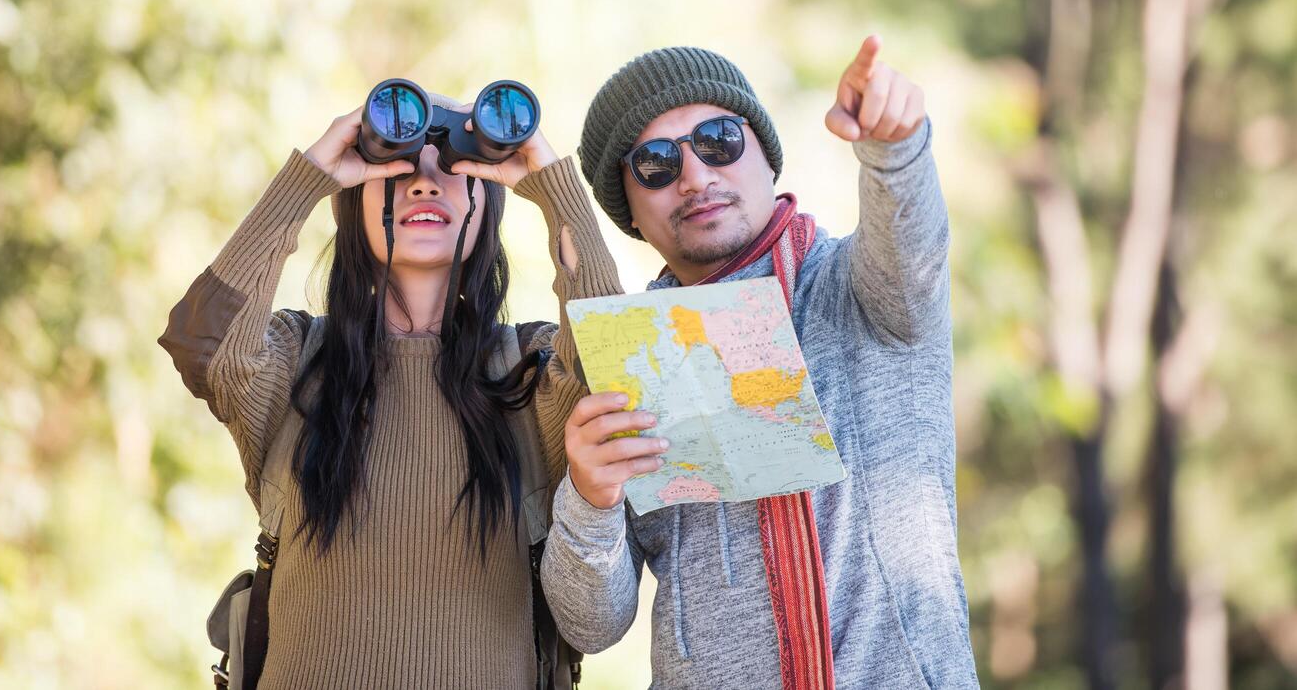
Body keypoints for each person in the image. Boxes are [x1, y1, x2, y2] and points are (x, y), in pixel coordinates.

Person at [542, 42, 979, 688]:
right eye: (655, 163)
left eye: (717, 140)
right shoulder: (631, 357)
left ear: (763, 153)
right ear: (629, 210)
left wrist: (894, 145)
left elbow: (913, 243)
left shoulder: (865, 290)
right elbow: (591, 627)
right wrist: (589, 498)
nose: (694, 177)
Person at [158, 91, 620, 689]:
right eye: (399, 165)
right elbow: (202, 343)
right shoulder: (297, 365)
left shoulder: (527, 373)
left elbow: (617, 371)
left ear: (490, 201)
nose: (424, 183)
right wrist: (307, 181)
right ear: (355, 200)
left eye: (452, 166)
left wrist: (555, 191)